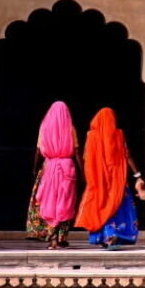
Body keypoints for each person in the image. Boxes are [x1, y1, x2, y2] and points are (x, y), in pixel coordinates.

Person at [75, 107, 145, 250]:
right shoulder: (118, 135)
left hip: (99, 178)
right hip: (117, 178)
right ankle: (112, 236)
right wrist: (138, 175)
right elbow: (128, 155)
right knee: (116, 206)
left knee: (102, 204)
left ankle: (104, 237)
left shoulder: (91, 136)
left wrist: (89, 177)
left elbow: (86, 159)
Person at [26, 101, 82, 249]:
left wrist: (34, 168)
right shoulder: (70, 129)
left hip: (48, 168)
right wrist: (82, 170)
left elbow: (38, 150)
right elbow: (76, 152)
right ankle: (61, 238)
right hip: (67, 169)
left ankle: (52, 238)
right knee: (64, 204)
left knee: (48, 203)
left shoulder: (45, 128)